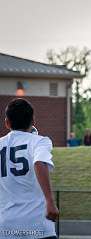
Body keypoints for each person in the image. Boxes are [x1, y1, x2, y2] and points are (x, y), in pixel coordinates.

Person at [0, 98, 59, 239]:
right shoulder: (40, 141)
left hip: (5, 226)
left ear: (7, 122)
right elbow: (39, 162)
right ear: (33, 121)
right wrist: (50, 201)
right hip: (38, 225)